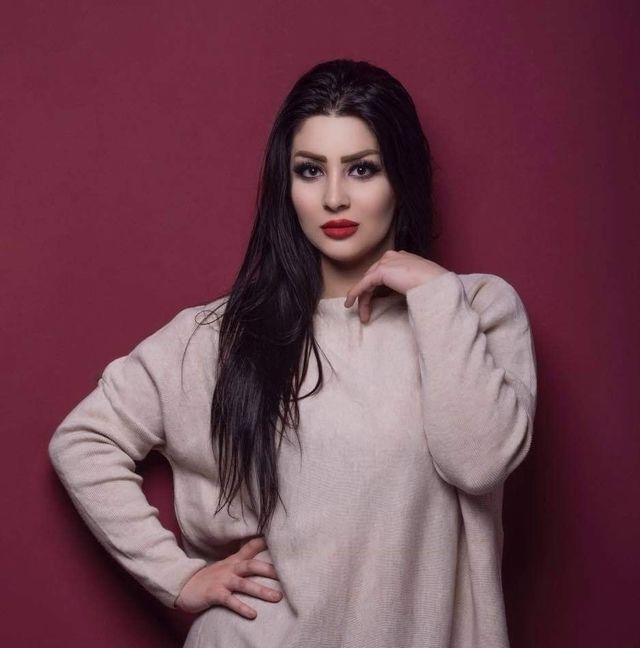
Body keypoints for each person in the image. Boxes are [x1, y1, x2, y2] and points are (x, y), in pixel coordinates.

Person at [48, 58, 537, 648]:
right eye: (310, 170)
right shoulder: (224, 334)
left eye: (362, 168)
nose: (334, 197)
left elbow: (478, 463)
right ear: (288, 185)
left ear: (401, 177)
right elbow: (84, 440)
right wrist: (178, 577)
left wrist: (434, 294)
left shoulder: (474, 309)